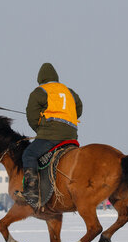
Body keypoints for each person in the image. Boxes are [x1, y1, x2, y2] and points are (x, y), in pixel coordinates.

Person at [14, 63, 82, 208]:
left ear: (40, 79)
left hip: (50, 136)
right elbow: (79, 109)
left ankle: (31, 191)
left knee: (29, 154)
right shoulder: (69, 91)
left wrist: (40, 130)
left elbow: (32, 116)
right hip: (71, 135)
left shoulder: (40, 91)